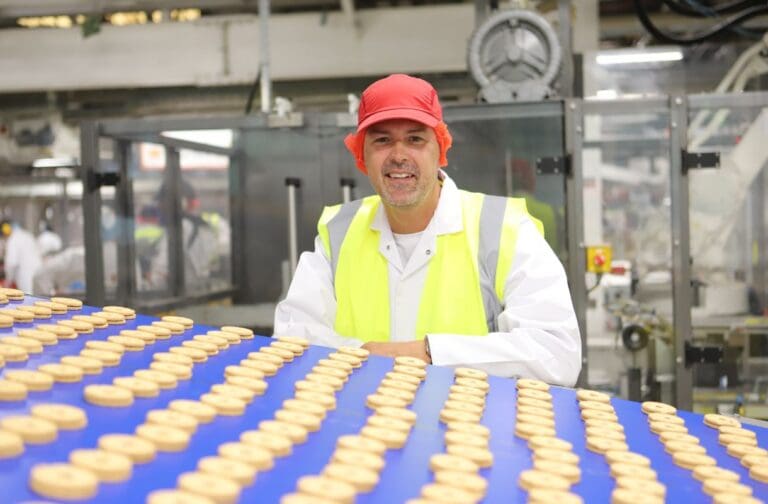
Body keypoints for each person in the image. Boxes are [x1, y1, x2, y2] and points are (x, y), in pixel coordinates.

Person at [273, 74, 580, 386]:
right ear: (361, 155)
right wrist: (365, 352)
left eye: (415, 139)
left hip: (471, 429)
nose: (398, 155)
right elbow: (292, 337)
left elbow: (557, 353)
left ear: (440, 148)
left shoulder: (504, 229)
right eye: (382, 140)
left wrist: (428, 353)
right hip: (360, 426)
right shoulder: (339, 232)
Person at [1, 219, 43, 293]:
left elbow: (11, 263)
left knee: (28, 300)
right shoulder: (27, 235)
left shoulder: (13, 239)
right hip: (39, 274)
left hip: (25, 277)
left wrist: (7, 282)